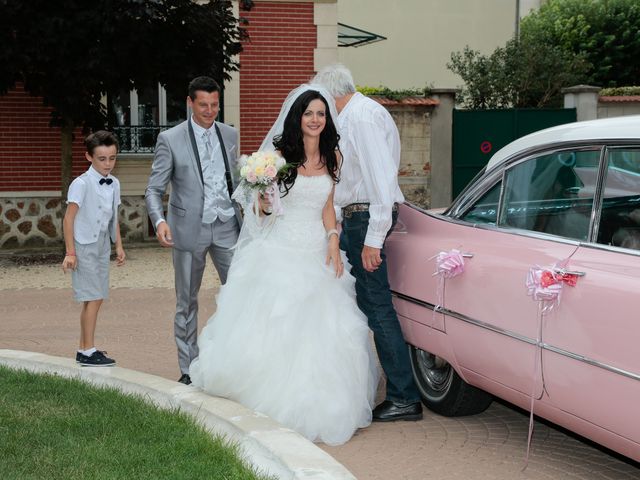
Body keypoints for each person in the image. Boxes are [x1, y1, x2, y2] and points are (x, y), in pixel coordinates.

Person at [190, 87, 379, 446]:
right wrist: (261, 199)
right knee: (277, 323)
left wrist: (334, 240)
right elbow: (264, 211)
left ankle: (322, 403)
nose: (315, 119)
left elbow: (327, 205)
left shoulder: (333, 156)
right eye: (309, 113)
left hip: (317, 250)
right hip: (280, 248)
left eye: (321, 114)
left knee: (330, 327)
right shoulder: (277, 157)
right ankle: (269, 398)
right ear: (298, 117)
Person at [313, 64, 423, 421]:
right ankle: (392, 386)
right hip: (357, 219)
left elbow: (381, 182)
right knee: (369, 305)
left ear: (332, 95)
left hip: (366, 219)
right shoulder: (360, 114)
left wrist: (373, 239)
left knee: (377, 306)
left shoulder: (360, 118)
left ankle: (404, 396)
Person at [145, 76, 241, 385]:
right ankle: (188, 368)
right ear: (190, 103)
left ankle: (233, 359)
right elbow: (153, 189)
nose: (210, 111)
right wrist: (160, 221)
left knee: (240, 294)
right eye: (203, 105)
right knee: (187, 300)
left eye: (215, 105)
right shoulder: (170, 139)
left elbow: (237, 183)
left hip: (228, 227)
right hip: (189, 230)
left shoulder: (230, 134)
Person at [62, 130, 126, 367]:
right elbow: (69, 220)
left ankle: (84, 348)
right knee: (94, 296)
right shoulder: (81, 184)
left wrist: (118, 245)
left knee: (94, 297)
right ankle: (88, 350)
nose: (108, 164)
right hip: (83, 245)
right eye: (102, 158)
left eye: (112, 158)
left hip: (101, 245)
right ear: (89, 157)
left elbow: (114, 217)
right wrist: (70, 253)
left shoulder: (115, 183)